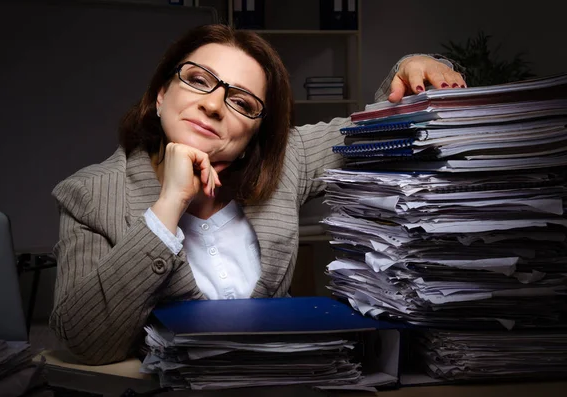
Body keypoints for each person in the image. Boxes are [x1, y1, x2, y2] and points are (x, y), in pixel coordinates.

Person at [49, 24, 466, 365]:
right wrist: (168, 206)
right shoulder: (90, 193)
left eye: (242, 102)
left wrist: (415, 67)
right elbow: (86, 340)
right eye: (198, 81)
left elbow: (378, 131)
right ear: (161, 94)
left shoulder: (289, 160)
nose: (214, 106)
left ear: (255, 133)